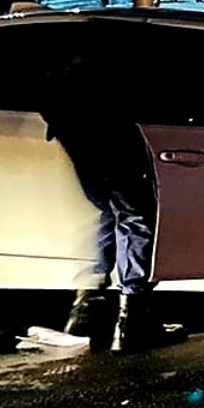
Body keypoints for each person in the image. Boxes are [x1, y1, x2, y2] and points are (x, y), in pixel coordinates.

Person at [38, 47, 160, 353]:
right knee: (135, 218)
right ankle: (131, 319)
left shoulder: (56, 76)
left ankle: (89, 309)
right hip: (110, 142)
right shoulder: (102, 77)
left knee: (112, 212)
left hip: (81, 143)